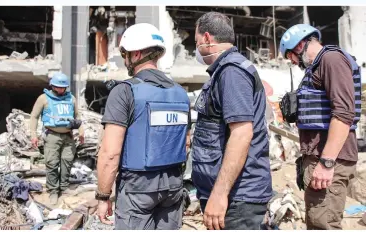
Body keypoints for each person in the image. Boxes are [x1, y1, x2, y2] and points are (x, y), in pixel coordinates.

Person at [95, 23, 191, 230]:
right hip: (173, 186)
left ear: (136, 54)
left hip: (138, 188)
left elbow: (110, 153)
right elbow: (186, 141)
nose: (125, 60)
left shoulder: (124, 92)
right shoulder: (181, 94)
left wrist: (103, 196)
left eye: (126, 55)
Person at [191, 12, 272, 230]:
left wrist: (219, 194)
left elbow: (241, 133)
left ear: (207, 38)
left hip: (237, 199)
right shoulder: (224, 71)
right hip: (233, 198)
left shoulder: (231, 72)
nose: (196, 47)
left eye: (197, 41)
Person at [279, 24, 362, 229]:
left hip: (330, 161)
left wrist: (326, 163)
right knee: (317, 222)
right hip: (321, 159)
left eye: (290, 55)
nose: (292, 61)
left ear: (299, 45)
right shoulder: (318, 65)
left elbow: (343, 114)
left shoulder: (331, 60)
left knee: (323, 224)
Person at [30, 72, 84, 205]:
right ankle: (53, 191)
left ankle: (64, 187)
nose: (60, 89)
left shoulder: (71, 98)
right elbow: (34, 116)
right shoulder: (43, 98)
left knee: (67, 162)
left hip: (68, 136)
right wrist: (33, 134)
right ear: (52, 86)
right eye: (57, 87)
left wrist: (81, 131)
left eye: (62, 87)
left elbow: (78, 115)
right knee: (52, 163)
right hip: (52, 135)